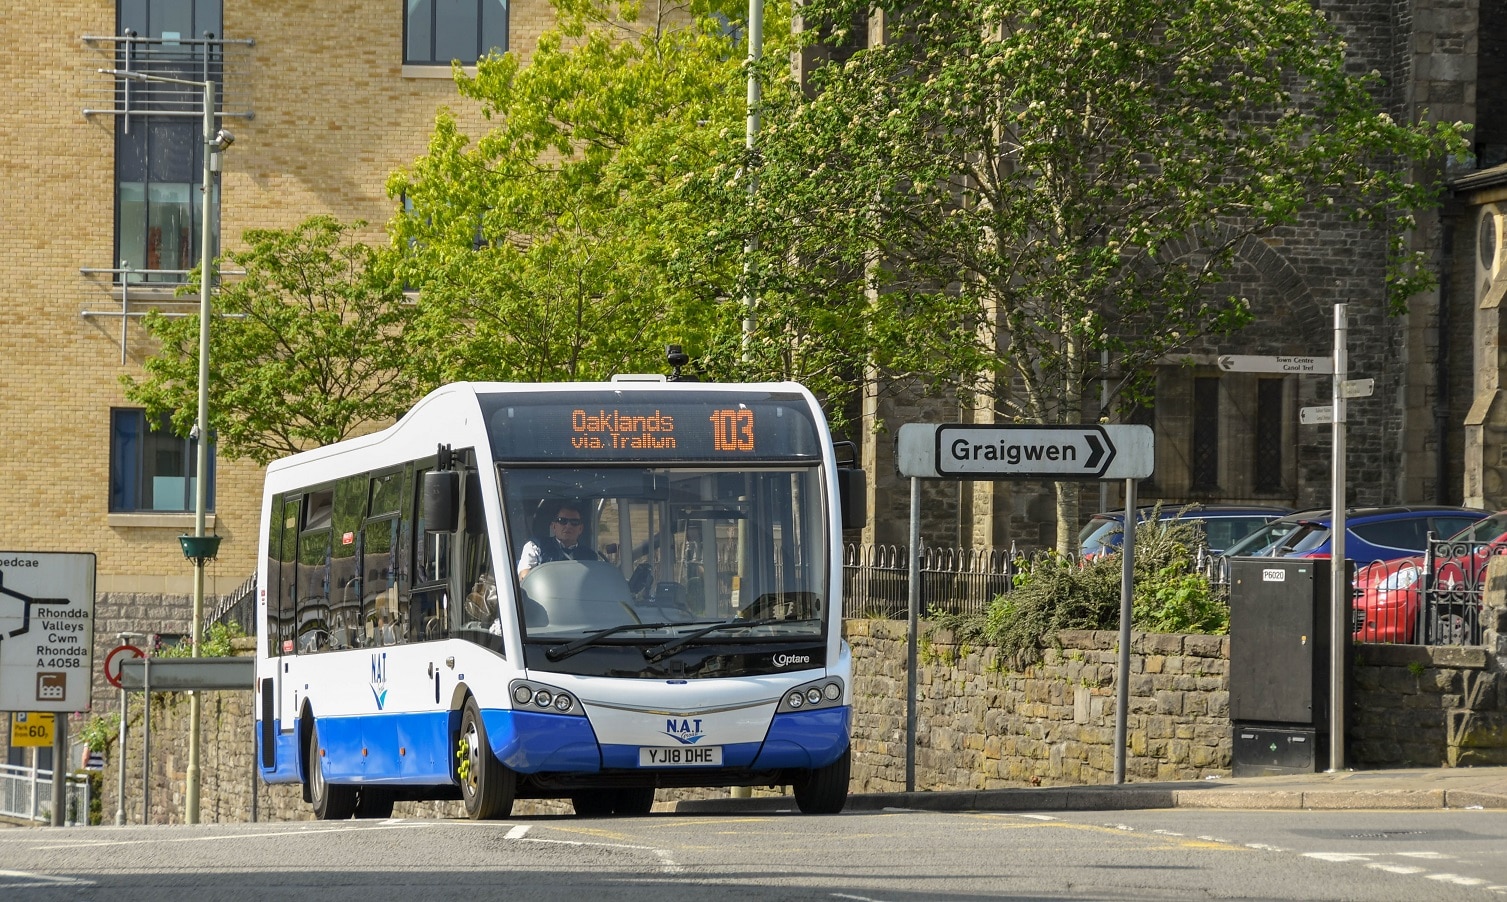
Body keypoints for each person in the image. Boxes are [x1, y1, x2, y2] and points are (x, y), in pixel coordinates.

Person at [517, 502, 601, 579]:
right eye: (562, 521)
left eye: (574, 522)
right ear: (553, 526)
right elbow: (524, 576)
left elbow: (597, 581)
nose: (568, 526)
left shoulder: (591, 557)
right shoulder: (535, 546)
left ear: (580, 528)